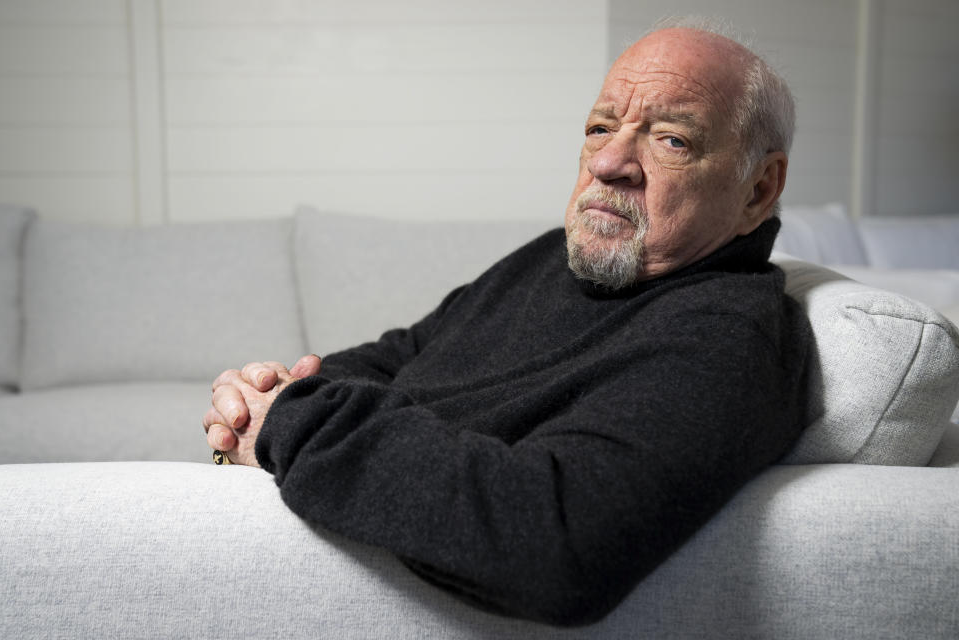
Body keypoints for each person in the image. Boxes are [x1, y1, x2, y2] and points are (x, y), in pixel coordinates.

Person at [201, 22, 810, 626]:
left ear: (758, 188)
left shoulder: (725, 337)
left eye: (670, 140)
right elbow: (403, 353)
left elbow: (552, 544)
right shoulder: (558, 257)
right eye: (600, 128)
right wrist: (267, 396)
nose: (609, 162)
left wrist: (292, 422)